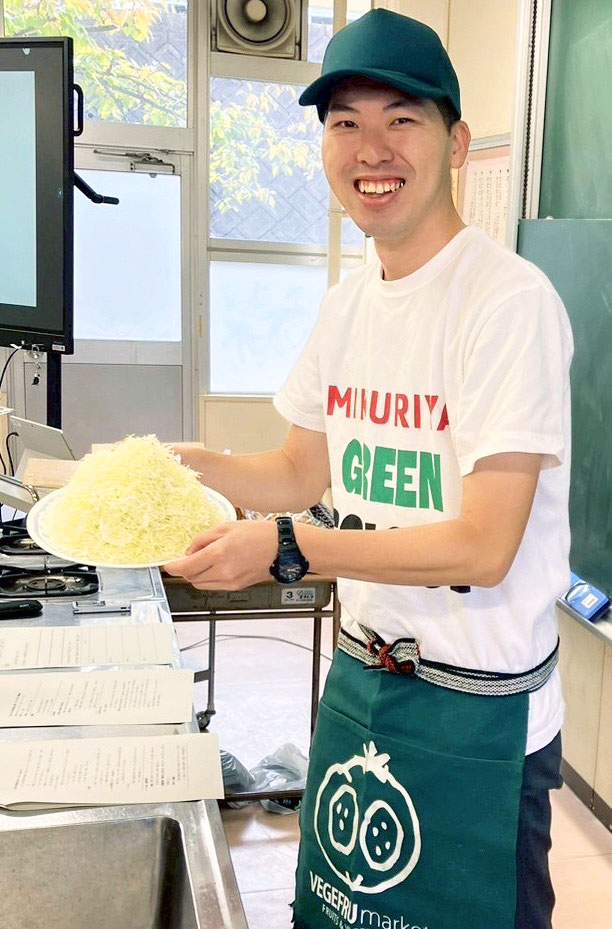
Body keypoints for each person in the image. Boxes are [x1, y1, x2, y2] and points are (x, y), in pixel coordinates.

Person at [165, 10, 573, 929]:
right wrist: (190, 468)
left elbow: (485, 545)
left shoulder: (508, 304)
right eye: (345, 121)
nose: (370, 149)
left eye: (402, 119)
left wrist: (288, 548)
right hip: (366, 683)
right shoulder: (348, 307)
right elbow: (299, 469)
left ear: (456, 143)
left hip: (482, 718)